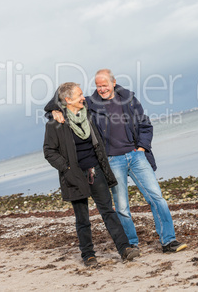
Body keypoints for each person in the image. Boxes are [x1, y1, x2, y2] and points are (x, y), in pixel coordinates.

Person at [45, 70, 187, 254]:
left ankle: (169, 241)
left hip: (136, 156)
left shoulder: (129, 99)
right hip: (112, 161)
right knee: (121, 207)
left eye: (104, 85)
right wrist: (53, 112)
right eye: (98, 86)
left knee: (157, 199)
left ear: (114, 83)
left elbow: (145, 124)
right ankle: (131, 245)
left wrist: (142, 147)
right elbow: (62, 104)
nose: (101, 89)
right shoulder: (90, 103)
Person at [43, 82, 139, 268]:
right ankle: (88, 255)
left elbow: (111, 94)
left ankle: (125, 249)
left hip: (96, 171)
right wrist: (67, 169)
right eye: (79, 95)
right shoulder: (55, 124)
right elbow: (49, 152)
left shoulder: (89, 114)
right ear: (68, 100)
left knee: (108, 212)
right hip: (74, 176)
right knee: (83, 219)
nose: (83, 97)